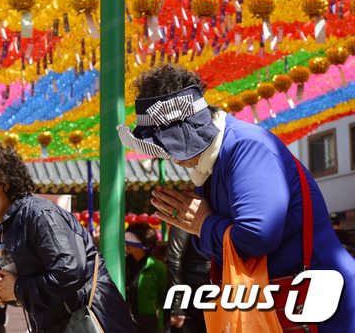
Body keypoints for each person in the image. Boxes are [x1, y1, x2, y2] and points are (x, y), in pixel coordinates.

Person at [116, 63, 355, 332]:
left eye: (167, 147)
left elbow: (257, 236)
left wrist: (203, 224)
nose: (168, 157)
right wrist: (199, 227)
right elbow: (216, 248)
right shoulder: (213, 162)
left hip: (321, 308)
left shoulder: (246, 147)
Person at [0, 142, 134, 332]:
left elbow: (69, 271)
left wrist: (17, 289)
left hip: (93, 322)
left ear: (2, 184)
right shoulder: (8, 226)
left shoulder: (40, 215)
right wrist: (8, 290)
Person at [125, 222, 168, 333]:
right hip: (125, 322)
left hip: (150, 324)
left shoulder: (158, 268)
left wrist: (161, 326)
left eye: (132, 239)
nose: (126, 243)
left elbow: (163, 299)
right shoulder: (121, 265)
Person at [166, 225, 209, 333]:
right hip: (191, 292)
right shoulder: (184, 216)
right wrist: (178, 305)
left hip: (212, 290)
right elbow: (174, 259)